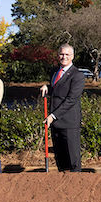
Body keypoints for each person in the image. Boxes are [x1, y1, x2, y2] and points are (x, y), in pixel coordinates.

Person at [40, 43, 85, 172]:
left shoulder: (77, 75)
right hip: (55, 123)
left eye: (67, 54)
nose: (63, 57)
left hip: (69, 123)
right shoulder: (55, 71)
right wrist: (47, 87)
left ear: (72, 56)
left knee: (73, 160)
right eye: (61, 54)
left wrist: (52, 116)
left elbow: (71, 99)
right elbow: (57, 88)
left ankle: (76, 186)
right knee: (61, 160)